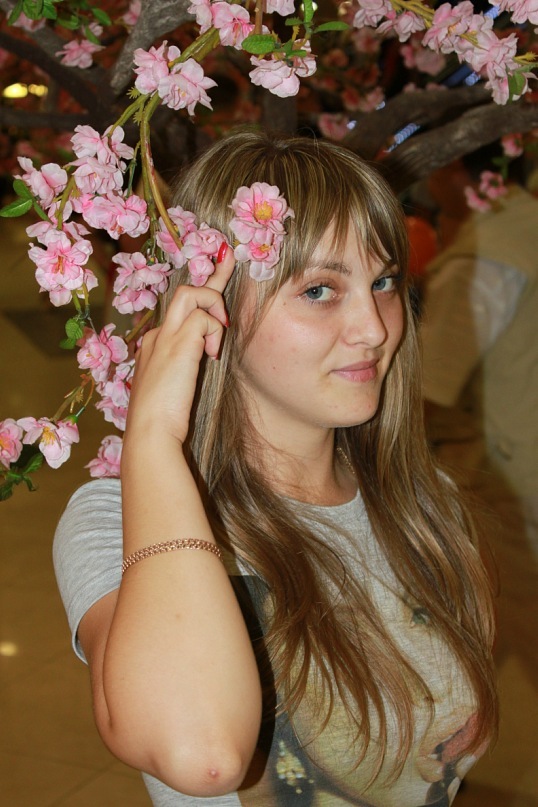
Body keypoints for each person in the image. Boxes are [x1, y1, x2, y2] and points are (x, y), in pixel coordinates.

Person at [53, 131, 497, 806]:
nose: (374, 328)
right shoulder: (115, 520)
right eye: (320, 289)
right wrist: (152, 437)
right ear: (209, 306)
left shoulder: (422, 503)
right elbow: (204, 757)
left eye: (382, 282)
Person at [421, 152, 538, 672]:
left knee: (518, 605)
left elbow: (432, 385)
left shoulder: (485, 258)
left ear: (454, 170)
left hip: (516, 466)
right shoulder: (527, 222)